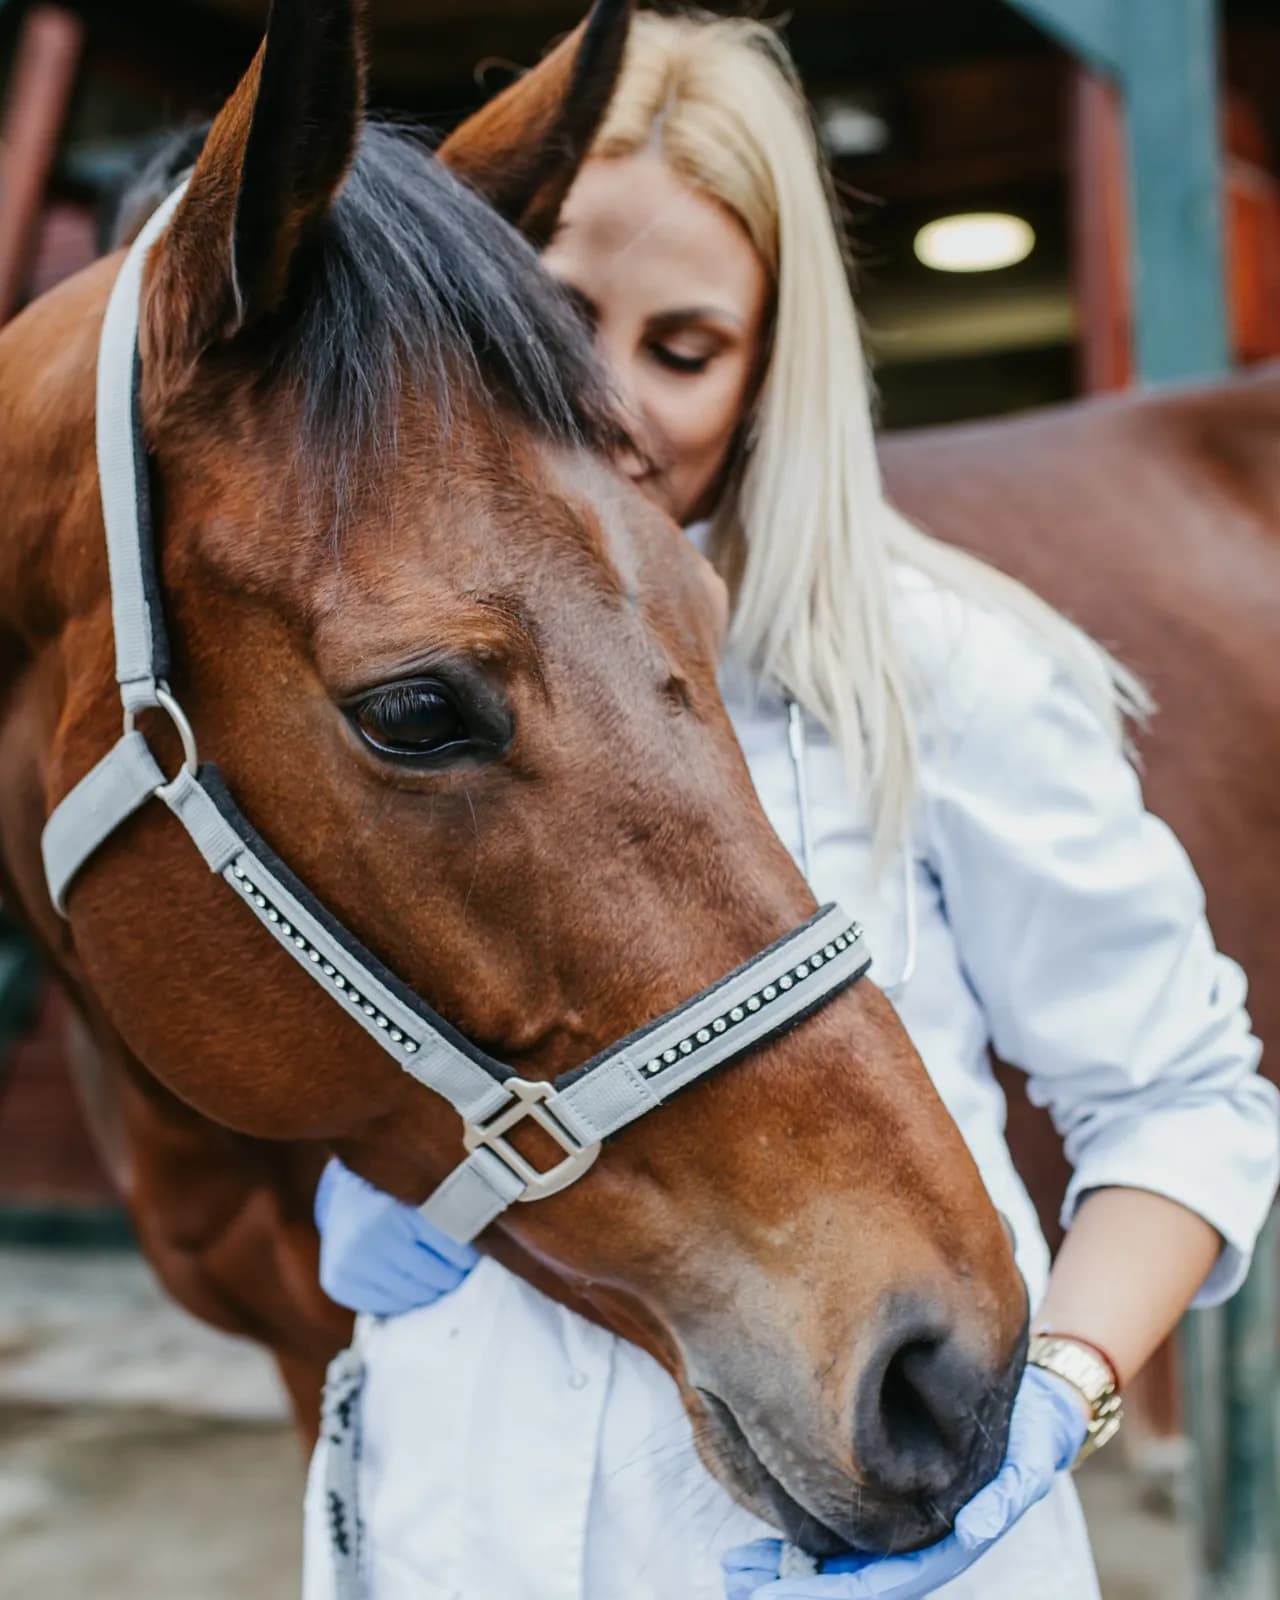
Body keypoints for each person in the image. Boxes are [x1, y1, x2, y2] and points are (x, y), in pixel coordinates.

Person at [302, 12, 1280, 1599]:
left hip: (850, 1530)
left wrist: (1052, 1407)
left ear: (765, 374)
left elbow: (1183, 1100)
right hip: (458, 1509)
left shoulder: (935, 671)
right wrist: (373, 1177)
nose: (606, 405)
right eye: (553, 320)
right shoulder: (399, 691)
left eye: (683, 348)